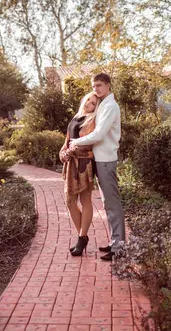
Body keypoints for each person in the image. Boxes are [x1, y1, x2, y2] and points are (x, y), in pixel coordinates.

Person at [69, 73, 124, 261]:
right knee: (107, 203)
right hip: (99, 159)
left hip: (106, 159)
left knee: (112, 202)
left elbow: (99, 134)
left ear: (108, 85)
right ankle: (114, 242)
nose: (96, 89)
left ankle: (119, 246)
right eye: (94, 86)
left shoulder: (110, 106)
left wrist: (76, 142)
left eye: (99, 85)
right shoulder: (102, 104)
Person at [59, 92, 100, 256]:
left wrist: (71, 151)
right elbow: (67, 141)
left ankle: (81, 238)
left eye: (93, 103)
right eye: (88, 99)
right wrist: (62, 153)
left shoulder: (92, 120)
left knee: (85, 200)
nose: (89, 103)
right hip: (70, 164)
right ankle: (82, 237)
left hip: (84, 164)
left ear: (96, 108)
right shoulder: (76, 117)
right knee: (69, 201)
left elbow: (89, 142)